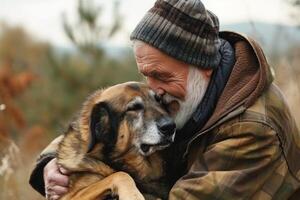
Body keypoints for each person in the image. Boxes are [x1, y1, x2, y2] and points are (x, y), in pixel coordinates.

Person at [29, 0, 300, 199]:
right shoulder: (184, 93)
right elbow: (104, 122)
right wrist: (52, 162)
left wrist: (91, 190)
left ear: (203, 66)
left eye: (161, 76)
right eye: (146, 75)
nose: (154, 91)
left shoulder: (254, 131)